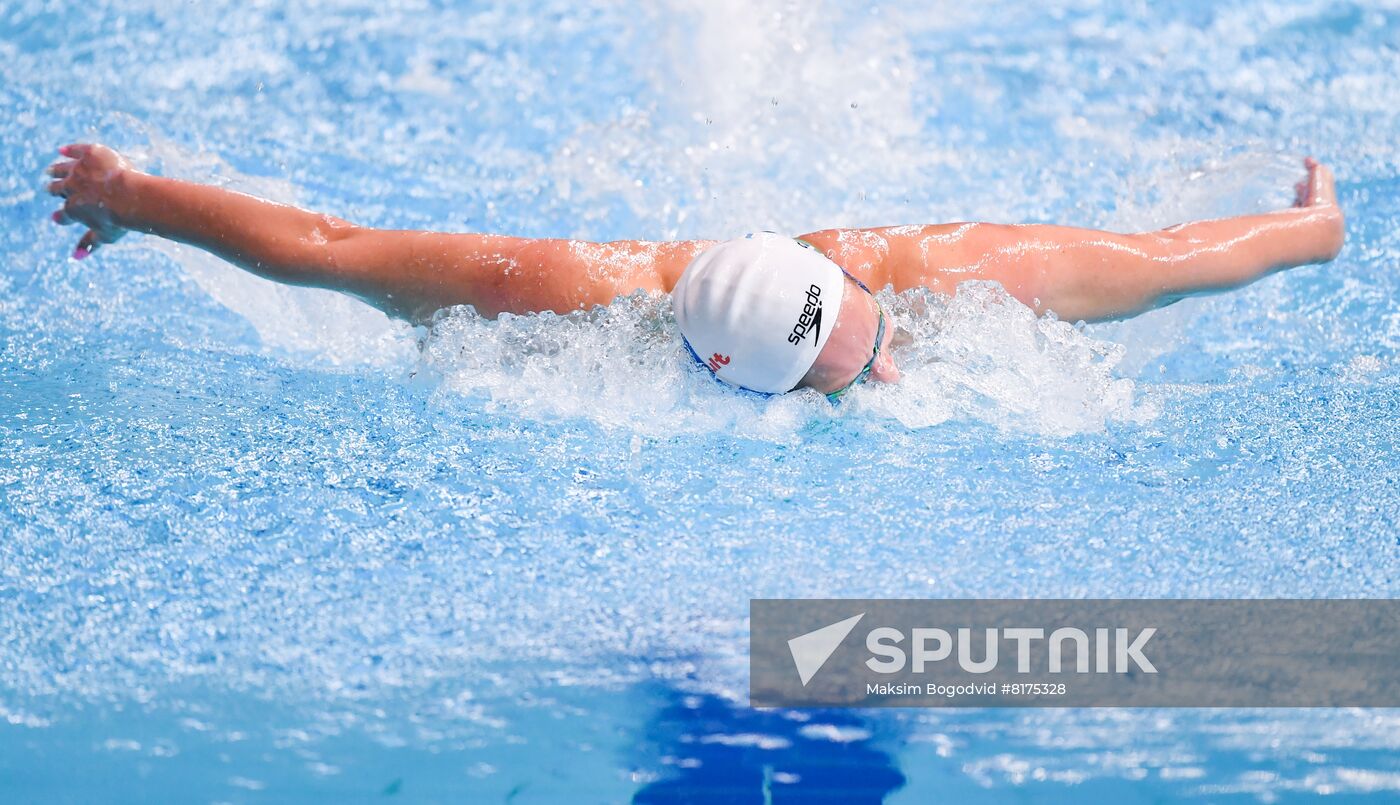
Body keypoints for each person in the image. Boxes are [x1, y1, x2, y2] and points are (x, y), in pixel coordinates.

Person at [45, 144, 1344, 399]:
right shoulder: (554, 299)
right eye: (852, 381)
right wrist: (137, 200)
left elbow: (1183, 257)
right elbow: (330, 254)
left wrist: (1317, 229)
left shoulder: (953, 277)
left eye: (877, 341)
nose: (897, 367)